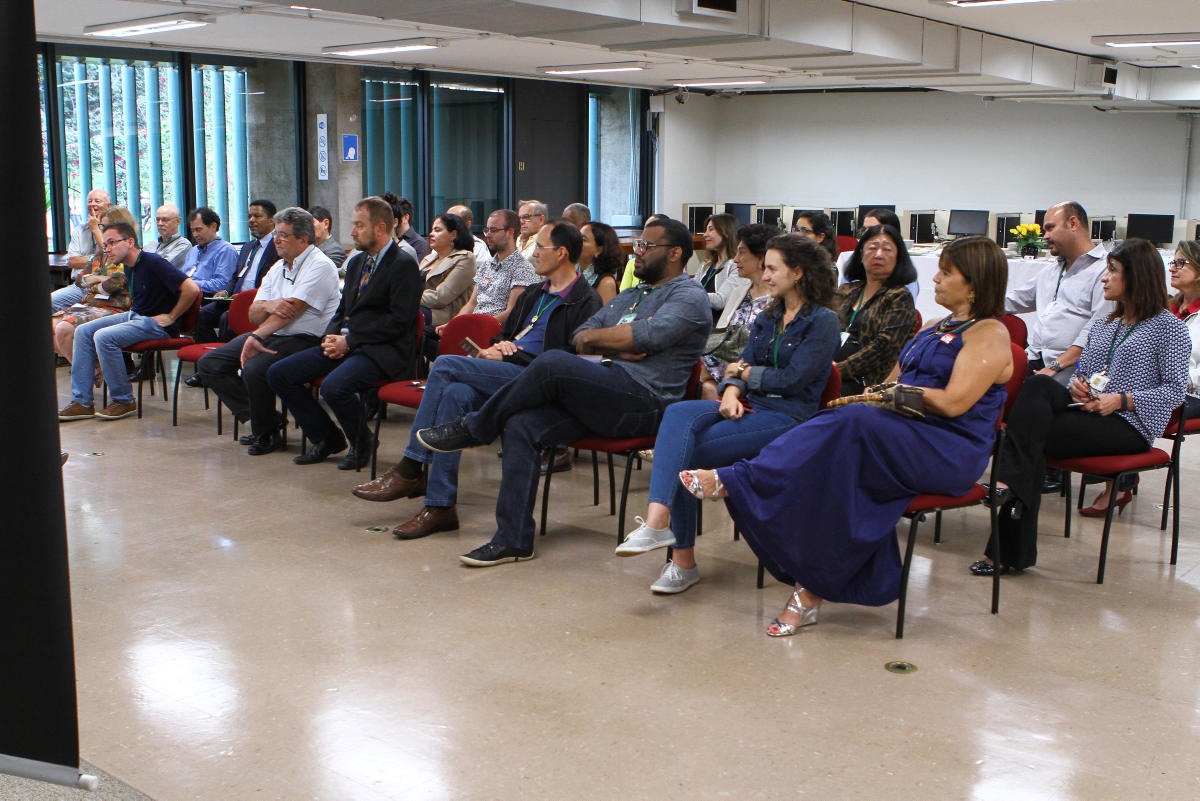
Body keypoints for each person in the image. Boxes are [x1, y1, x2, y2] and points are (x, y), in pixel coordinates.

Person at [680, 235, 1013, 636]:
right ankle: (810, 589)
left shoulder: (989, 335)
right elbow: (895, 378)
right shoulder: (934, 326)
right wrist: (881, 394)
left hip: (948, 449)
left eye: (946, 272)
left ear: (974, 283)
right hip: (904, 435)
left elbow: (955, 403)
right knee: (839, 465)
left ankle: (741, 479)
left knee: (854, 425)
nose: (937, 278)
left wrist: (894, 395)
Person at [414, 217, 712, 567]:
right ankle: (513, 539)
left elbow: (646, 338)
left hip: (643, 401)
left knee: (553, 362)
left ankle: (476, 427)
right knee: (522, 424)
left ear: (675, 253)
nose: (638, 254)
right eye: (640, 246)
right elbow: (582, 335)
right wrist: (621, 341)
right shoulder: (632, 294)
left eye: (647, 247)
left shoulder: (689, 296)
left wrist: (621, 338)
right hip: (605, 388)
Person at [615, 233, 840, 594]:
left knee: (688, 458)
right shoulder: (771, 314)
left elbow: (794, 379)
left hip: (788, 418)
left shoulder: (823, 321)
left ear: (798, 272)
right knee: (678, 413)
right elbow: (742, 363)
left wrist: (744, 376)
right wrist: (732, 389)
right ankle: (659, 522)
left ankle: (680, 560)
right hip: (750, 405)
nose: (764, 275)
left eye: (771, 268)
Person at [352, 220, 602, 539]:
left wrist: (512, 354)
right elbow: (510, 334)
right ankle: (441, 507)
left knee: (444, 365)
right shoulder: (535, 293)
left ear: (562, 253)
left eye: (540, 247)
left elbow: (567, 362)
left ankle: (412, 466)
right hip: (511, 369)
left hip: (538, 380)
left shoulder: (585, 301)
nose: (534, 253)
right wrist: (499, 346)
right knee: (455, 394)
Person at [974, 237, 1189, 575]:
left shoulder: (1169, 328)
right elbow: (1088, 374)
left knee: (1026, 438)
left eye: (1113, 272)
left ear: (1136, 277)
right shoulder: (1106, 325)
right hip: (1088, 411)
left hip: (1129, 424)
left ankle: (1007, 522)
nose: (1105, 279)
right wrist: (1081, 388)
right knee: (1041, 384)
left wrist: (1121, 399)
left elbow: (1175, 391)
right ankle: (1008, 526)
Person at [266, 197, 422, 470]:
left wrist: (350, 341)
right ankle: (327, 438)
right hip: (347, 342)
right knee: (279, 374)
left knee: (333, 387)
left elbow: (398, 321)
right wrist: (329, 335)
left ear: (380, 228)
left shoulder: (403, 265)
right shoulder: (358, 261)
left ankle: (363, 443)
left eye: (359, 226)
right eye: (353, 225)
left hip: (382, 349)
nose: (352, 232)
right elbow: (342, 308)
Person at [196, 208, 341, 455]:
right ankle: (267, 420)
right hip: (272, 333)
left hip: (305, 338)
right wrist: (269, 306)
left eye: (283, 235)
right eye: (276, 234)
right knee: (210, 363)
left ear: (303, 239)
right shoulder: (278, 267)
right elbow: (254, 313)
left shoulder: (320, 265)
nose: (276, 240)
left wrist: (256, 334)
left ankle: (267, 433)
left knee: (254, 367)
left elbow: (292, 311)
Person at [58, 221, 201, 421]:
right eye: (105, 244)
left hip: (156, 324)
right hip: (136, 315)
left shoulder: (154, 263)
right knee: (83, 331)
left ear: (130, 241)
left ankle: (124, 400)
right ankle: (82, 401)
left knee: (103, 337)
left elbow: (192, 289)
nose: (107, 249)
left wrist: (172, 316)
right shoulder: (129, 266)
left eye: (111, 243)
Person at [1005, 201, 1112, 380]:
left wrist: (1056, 365)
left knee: (1033, 394)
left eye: (1050, 228)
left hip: (1073, 366)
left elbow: (1098, 330)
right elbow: (1014, 300)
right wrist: (967, 305)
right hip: (1036, 358)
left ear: (1073, 223)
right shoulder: (1051, 271)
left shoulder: (1106, 271)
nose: (1045, 236)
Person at [835, 224, 919, 394]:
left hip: (867, 380)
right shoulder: (847, 290)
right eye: (872, 248)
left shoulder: (899, 297)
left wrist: (836, 371)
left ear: (898, 258)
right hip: (829, 366)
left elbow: (882, 348)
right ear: (860, 254)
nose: (878, 254)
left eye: (887, 249)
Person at [51, 206, 137, 365]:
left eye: (104, 227)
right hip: (89, 304)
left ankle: (87, 371)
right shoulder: (101, 254)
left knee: (63, 329)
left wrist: (94, 279)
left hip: (114, 308)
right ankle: (92, 368)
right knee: (48, 326)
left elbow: (114, 283)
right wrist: (99, 278)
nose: (101, 231)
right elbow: (79, 279)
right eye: (101, 227)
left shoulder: (130, 252)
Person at [699, 223, 775, 400]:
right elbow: (720, 339)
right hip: (716, 372)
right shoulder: (739, 292)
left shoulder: (778, 301)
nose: (735, 259)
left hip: (746, 377)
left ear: (761, 258)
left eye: (742, 252)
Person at [441, 209, 537, 329]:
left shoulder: (523, 269)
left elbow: (512, 312)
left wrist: (475, 326)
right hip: (474, 325)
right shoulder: (487, 265)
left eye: (494, 230)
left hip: (493, 332)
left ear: (510, 232)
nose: (488, 235)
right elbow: (471, 304)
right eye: (487, 230)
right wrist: (453, 324)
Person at [53, 189, 111, 311]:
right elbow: (72, 261)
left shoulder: (115, 231)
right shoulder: (80, 230)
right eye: (90, 201)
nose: (92, 204)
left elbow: (109, 256)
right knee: (49, 301)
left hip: (103, 288)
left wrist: (95, 229)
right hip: (80, 286)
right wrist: (96, 259)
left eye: (97, 201)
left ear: (108, 206)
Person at [418, 213, 478, 329]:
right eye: (432, 230)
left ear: (453, 234)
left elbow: (441, 297)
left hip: (443, 316)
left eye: (437, 230)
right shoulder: (428, 259)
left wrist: (409, 298)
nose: (431, 234)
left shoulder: (465, 258)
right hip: (419, 307)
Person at [1168, 240, 1200, 419]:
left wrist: (1176, 381)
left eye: (1180, 263)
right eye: (1173, 263)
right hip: (1162, 389)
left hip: (1192, 395)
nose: (1172, 269)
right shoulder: (1167, 310)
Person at [697, 213, 747, 322]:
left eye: (711, 230)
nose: (705, 234)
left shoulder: (737, 266)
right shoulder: (705, 265)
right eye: (705, 230)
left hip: (718, 328)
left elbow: (721, 300)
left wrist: (690, 294)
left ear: (726, 233)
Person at [579, 221, 622, 305]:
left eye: (583, 239)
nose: (577, 242)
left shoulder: (606, 283)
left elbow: (606, 317)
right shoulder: (574, 273)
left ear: (599, 250)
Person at [147, 204, 192, 269]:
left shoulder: (183, 244)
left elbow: (161, 267)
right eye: (157, 219)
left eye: (165, 220)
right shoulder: (150, 245)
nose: (160, 223)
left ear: (178, 221)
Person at [308, 205, 347, 269]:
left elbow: (319, 273)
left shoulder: (335, 251)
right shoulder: (307, 248)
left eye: (312, 223)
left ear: (326, 224)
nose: (308, 227)